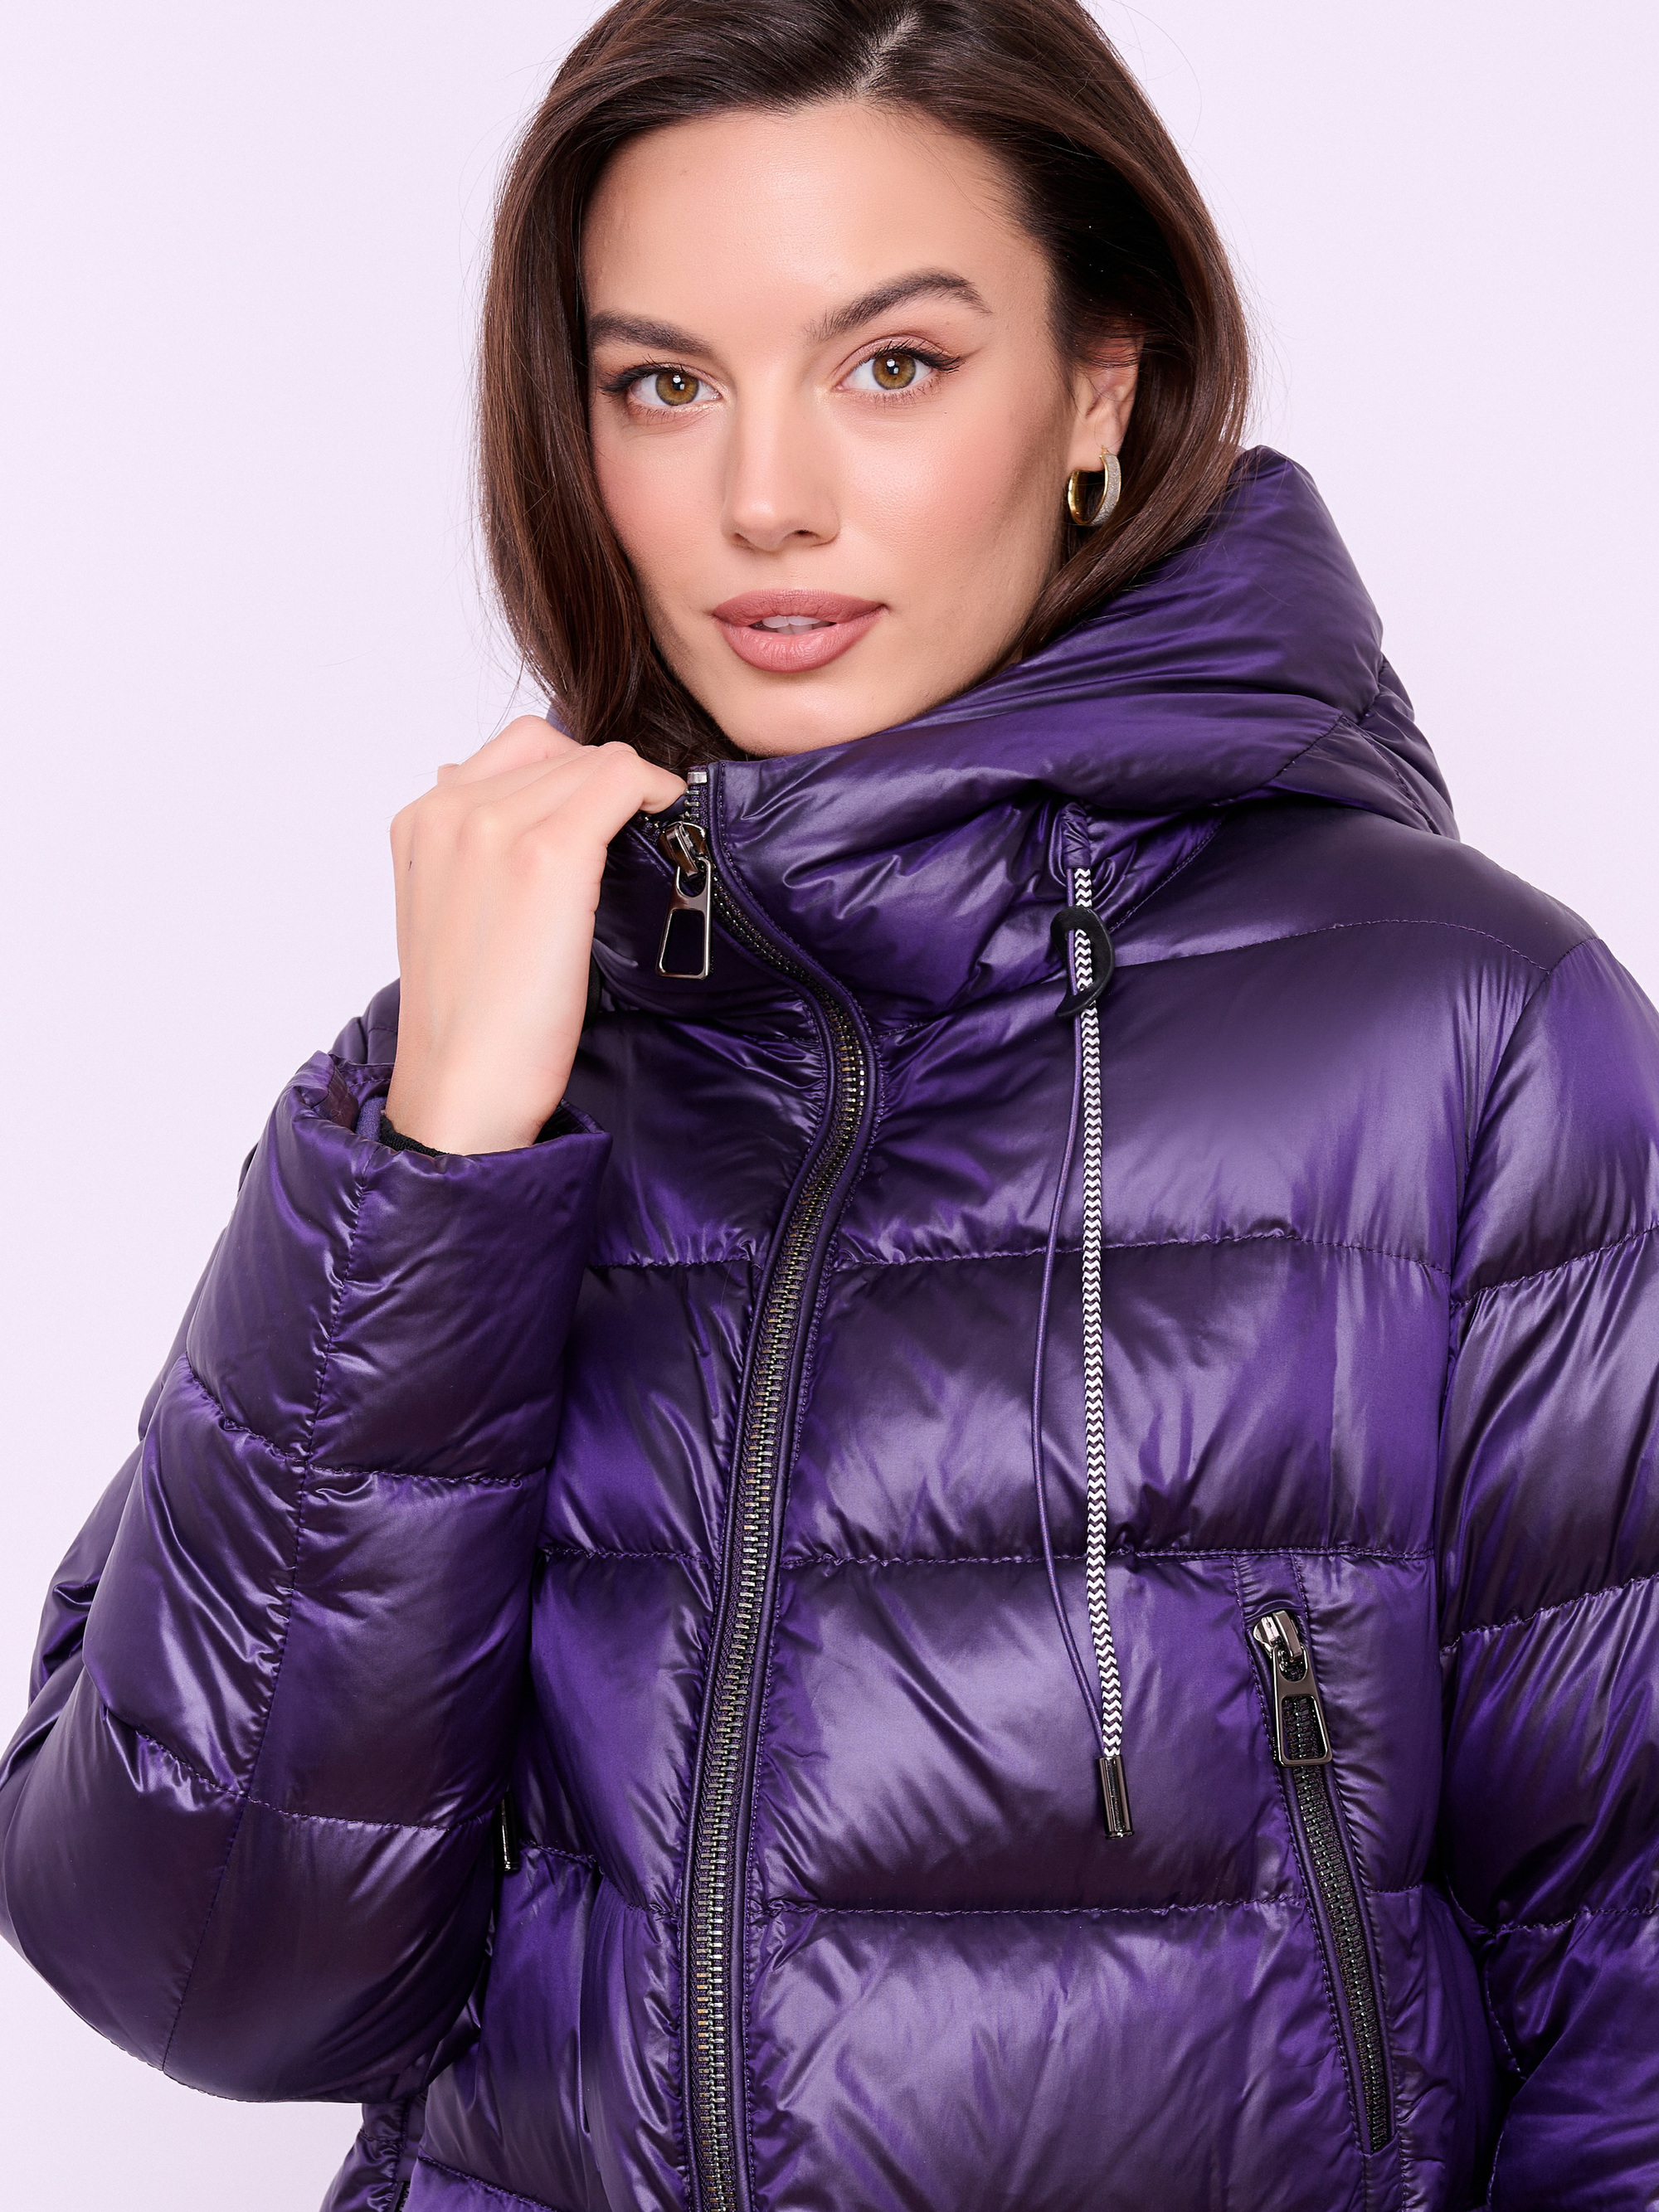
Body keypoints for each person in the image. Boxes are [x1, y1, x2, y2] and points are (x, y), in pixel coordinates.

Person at [3, 0, 1656, 2205]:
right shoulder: (496, 1069)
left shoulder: (1467, 1031)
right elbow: (208, 1972)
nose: (763, 497)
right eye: (663, 383)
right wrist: (439, 1163)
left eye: (892, 363)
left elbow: (1633, 1998)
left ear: (1102, 386)